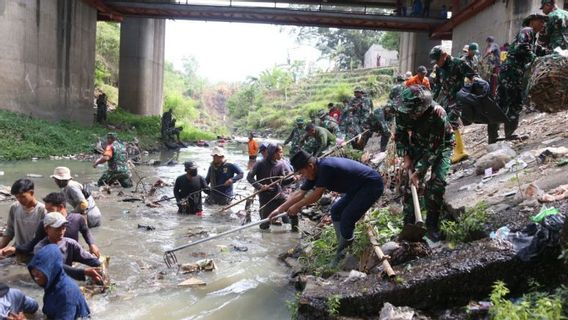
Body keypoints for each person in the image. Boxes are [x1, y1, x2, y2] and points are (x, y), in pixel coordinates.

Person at [268, 150, 384, 265]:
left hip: (371, 185)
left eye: (302, 173)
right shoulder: (314, 171)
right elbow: (300, 193)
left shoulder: (326, 167)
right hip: (356, 188)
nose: (302, 177)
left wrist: (297, 206)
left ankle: (342, 254)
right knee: (336, 210)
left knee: (347, 217)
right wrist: (279, 210)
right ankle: (343, 248)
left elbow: (317, 195)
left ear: (310, 166)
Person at [395, 85, 454, 242]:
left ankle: (432, 227)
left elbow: (435, 149)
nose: (409, 114)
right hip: (417, 144)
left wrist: (419, 171)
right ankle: (409, 226)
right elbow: (400, 135)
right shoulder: (402, 110)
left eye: (413, 111)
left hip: (441, 145)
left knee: (436, 185)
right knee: (410, 188)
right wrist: (406, 157)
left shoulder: (438, 114)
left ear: (422, 107)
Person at [489, 13, 547, 144]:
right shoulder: (527, 31)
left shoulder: (532, 36)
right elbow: (523, 47)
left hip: (509, 72)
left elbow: (537, 49)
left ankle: (493, 136)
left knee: (501, 103)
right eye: (540, 21)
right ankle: (510, 133)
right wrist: (535, 60)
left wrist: (552, 53)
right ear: (532, 21)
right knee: (515, 102)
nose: (543, 24)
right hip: (513, 73)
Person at [2, 192, 100, 258]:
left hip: (72, 257)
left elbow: (86, 232)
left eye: (50, 210)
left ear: (61, 207)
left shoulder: (77, 218)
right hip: (54, 258)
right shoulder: (45, 223)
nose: (47, 213)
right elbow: (34, 243)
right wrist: (15, 249)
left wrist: (92, 245)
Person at [429, 45, 476, 164]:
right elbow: (438, 86)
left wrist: (468, 91)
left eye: (437, 60)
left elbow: (471, 75)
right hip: (447, 99)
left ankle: (459, 151)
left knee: (451, 122)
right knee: (445, 122)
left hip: (459, 97)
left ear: (444, 55)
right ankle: (457, 151)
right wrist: (432, 101)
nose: (437, 63)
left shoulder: (458, 63)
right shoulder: (438, 68)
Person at [33, 212, 102, 283]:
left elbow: (92, 261)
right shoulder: (40, 249)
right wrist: (84, 272)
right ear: (46, 229)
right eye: (57, 228)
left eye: (64, 227)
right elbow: (57, 267)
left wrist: (100, 269)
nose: (61, 232)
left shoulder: (71, 244)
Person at [28, 244, 91, 320]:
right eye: (33, 270)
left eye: (39, 272)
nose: (35, 276)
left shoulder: (66, 294)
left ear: (51, 269)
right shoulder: (52, 283)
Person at [247, 144, 298, 231]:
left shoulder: (281, 163)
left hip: (280, 195)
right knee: (264, 224)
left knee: (291, 213)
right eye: (280, 152)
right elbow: (249, 177)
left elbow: (282, 182)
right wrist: (260, 186)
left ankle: (295, 233)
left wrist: (293, 179)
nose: (282, 154)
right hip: (266, 198)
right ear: (273, 153)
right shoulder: (260, 164)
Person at [0, 179, 46, 251]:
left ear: (31, 193)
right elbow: (10, 230)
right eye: (17, 197)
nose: (19, 200)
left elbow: (44, 237)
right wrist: (1, 247)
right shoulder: (14, 207)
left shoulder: (42, 210)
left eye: (22, 196)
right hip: (17, 250)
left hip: (35, 251)